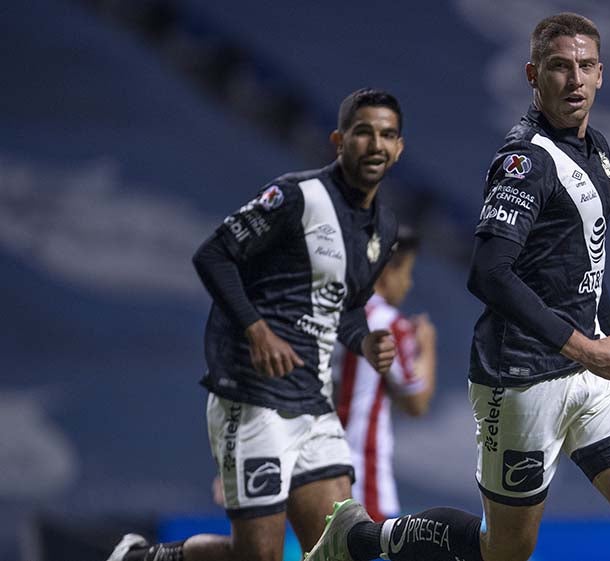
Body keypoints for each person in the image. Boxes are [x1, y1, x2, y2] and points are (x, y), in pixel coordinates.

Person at [304, 13, 610, 561]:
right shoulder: (524, 161)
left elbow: (586, 261)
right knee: (504, 550)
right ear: (533, 75)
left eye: (584, 67)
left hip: (591, 371)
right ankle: (361, 536)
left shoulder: (596, 148)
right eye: (559, 67)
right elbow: (487, 274)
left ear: (601, 74)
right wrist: (585, 348)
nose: (574, 80)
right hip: (521, 377)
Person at [107, 88, 405, 561]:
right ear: (338, 140)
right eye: (363, 132)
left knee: (339, 551)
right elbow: (213, 254)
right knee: (259, 557)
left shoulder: (385, 226)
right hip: (252, 398)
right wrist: (256, 329)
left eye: (387, 135)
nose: (375, 145)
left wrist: (363, 340)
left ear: (399, 148)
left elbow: (345, 305)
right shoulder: (296, 197)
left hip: (313, 402)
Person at [335, 225, 437, 522]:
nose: (408, 284)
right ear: (386, 271)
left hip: (321, 467)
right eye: (406, 272)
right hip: (364, 473)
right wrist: (427, 346)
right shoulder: (387, 322)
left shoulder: (337, 312)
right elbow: (416, 402)